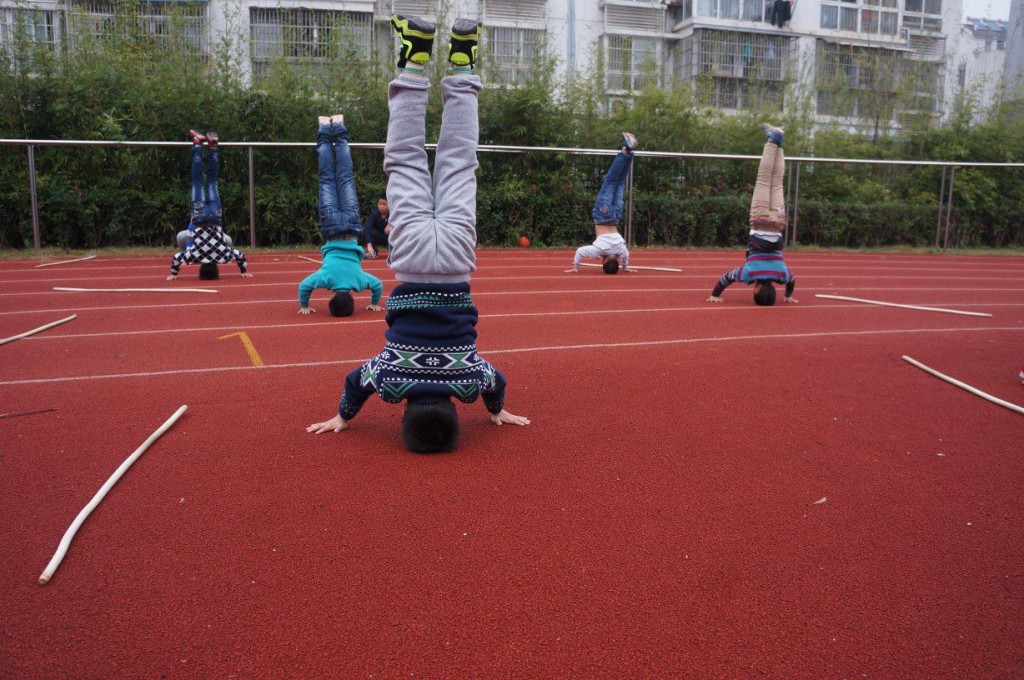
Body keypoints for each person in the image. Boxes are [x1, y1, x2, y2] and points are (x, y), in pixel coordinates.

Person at [307, 15, 529, 453]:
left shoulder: (468, 377)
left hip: (455, 259)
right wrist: (342, 417)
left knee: (459, 160)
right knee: (405, 160)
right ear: (404, 413)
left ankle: (463, 62)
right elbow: (357, 383)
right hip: (409, 259)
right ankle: (413, 61)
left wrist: (495, 409)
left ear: (454, 411)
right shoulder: (392, 374)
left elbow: (495, 381)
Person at [298, 115, 385, 317]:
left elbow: (378, 285)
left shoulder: (358, 281)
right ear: (330, 298)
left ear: (352, 297)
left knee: (345, 176)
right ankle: (323, 129)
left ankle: (339, 127)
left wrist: (374, 302)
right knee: (327, 177)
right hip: (331, 227)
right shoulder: (326, 278)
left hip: (353, 226)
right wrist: (304, 306)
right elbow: (304, 286)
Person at [707, 123, 797, 306]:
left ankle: (779, 142)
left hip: (778, 225)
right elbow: (726, 278)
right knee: (764, 178)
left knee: (778, 181)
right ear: (755, 289)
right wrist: (715, 294)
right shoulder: (749, 273)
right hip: (760, 221)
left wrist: (788, 295)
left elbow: (792, 280)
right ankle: (772, 140)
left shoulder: (781, 275)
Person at [168, 130, 252, 281]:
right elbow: (176, 258)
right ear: (200, 268)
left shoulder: (224, 255)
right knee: (197, 182)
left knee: (213, 182)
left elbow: (240, 256)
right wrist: (173, 274)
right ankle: (198, 144)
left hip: (215, 217)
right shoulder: (193, 256)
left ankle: (213, 146)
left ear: (217, 268)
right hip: (199, 217)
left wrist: (243, 270)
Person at [566, 134, 637, 274]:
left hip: (616, 216)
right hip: (602, 216)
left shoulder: (621, 250)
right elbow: (579, 251)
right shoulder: (598, 252)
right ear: (603, 262)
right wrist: (576, 267)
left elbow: (626, 255)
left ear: (615, 261)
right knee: (610, 181)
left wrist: (625, 267)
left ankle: (630, 154)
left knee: (620, 182)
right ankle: (625, 150)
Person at [362, 193, 391, 259]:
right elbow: (367, 227)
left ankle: (397, 252)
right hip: (379, 237)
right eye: (380, 204)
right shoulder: (375, 214)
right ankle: (373, 252)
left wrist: (391, 224)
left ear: (390, 205)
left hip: (391, 237)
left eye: (384, 204)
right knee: (365, 230)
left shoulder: (394, 213)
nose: (381, 206)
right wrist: (369, 245)